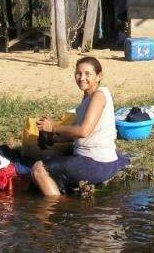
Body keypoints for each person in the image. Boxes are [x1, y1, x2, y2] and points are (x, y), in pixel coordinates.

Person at [31, 56, 128, 196]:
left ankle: (57, 206)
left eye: (88, 74)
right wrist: (54, 139)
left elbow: (83, 131)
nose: (82, 78)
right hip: (96, 160)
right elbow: (76, 135)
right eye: (78, 73)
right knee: (52, 165)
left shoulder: (98, 96)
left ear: (99, 76)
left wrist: (53, 127)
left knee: (38, 169)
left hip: (98, 163)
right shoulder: (88, 97)